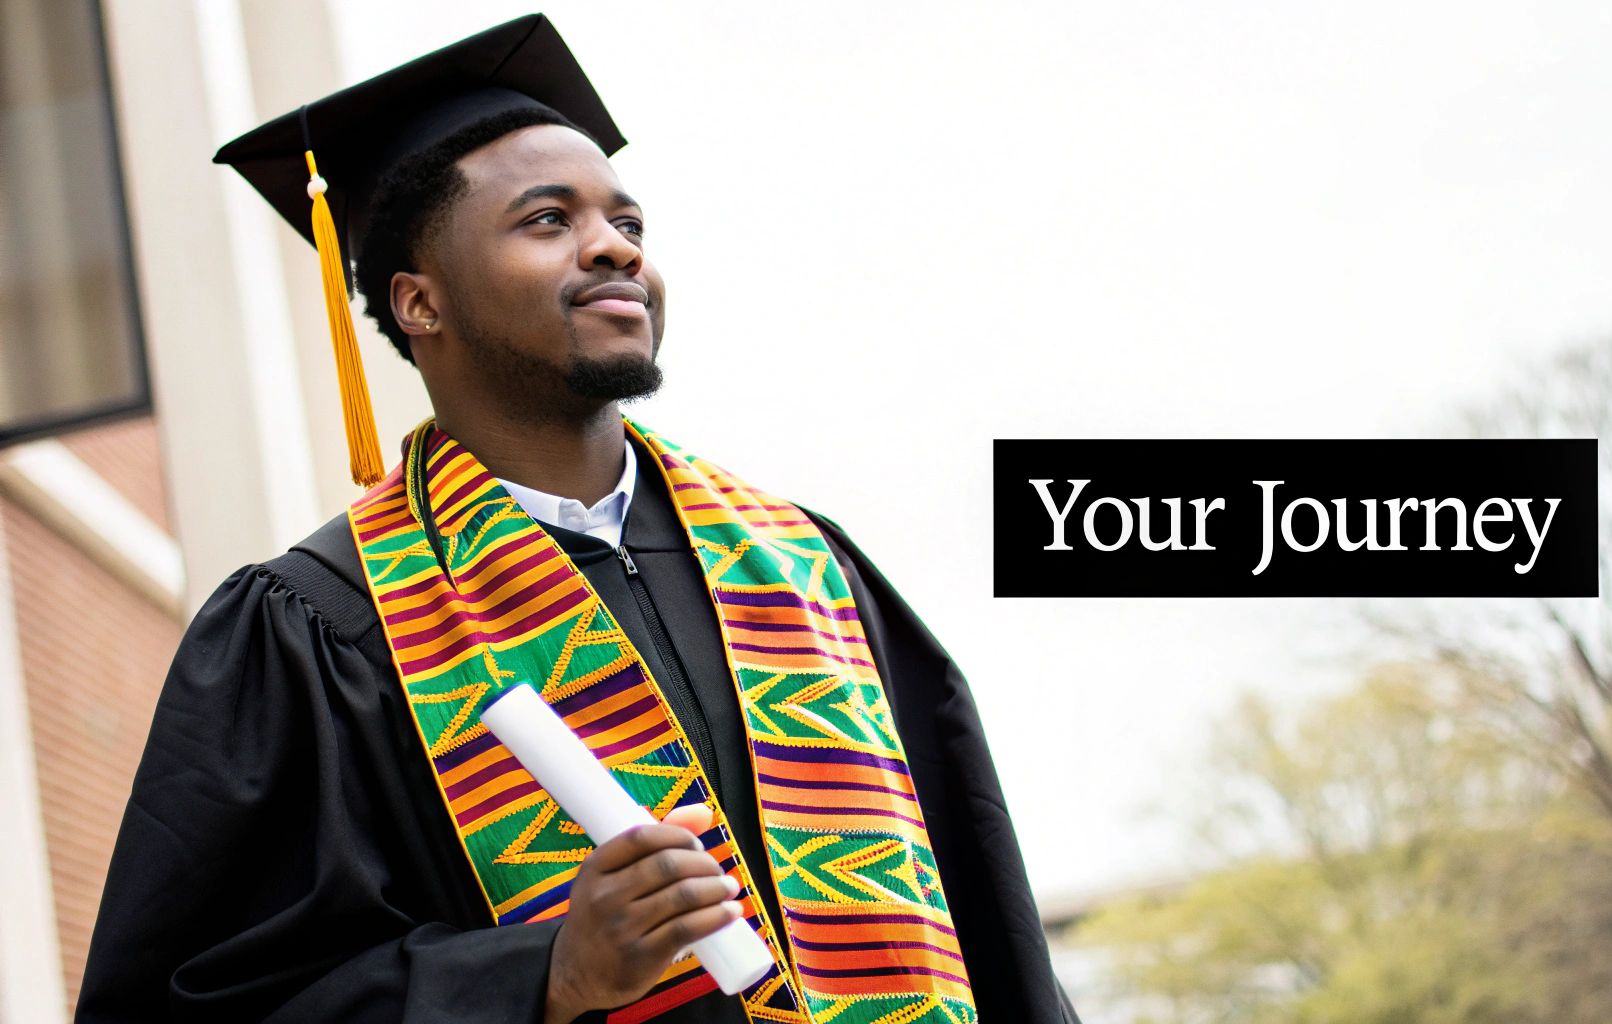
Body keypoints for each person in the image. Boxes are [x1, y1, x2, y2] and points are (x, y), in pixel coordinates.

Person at [73, 14, 1078, 1024]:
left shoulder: (804, 567)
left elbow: (986, 923)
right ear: (419, 304)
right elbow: (199, 1007)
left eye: (627, 224)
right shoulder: (321, 624)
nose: (612, 249)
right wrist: (544, 975)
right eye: (547, 220)